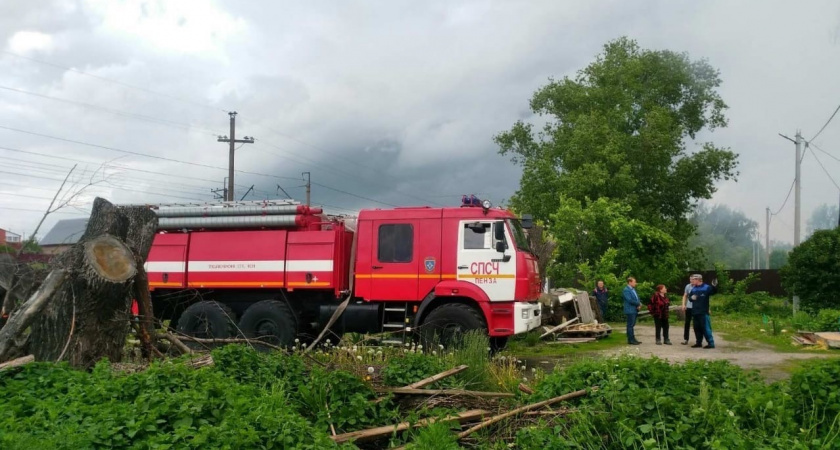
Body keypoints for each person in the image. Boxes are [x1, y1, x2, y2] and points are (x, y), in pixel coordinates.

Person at [689, 275, 717, 349]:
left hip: (703, 312)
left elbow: (713, 292)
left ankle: (711, 343)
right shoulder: (694, 288)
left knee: (706, 328)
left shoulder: (706, 287)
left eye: (694, 279)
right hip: (695, 311)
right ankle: (698, 343)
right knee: (696, 328)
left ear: (698, 280)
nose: (692, 281)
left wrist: (714, 286)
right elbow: (690, 298)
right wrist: (691, 298)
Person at [680, 275, 700, 345]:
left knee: (697, 324)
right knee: (687, 323)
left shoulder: (699, 287)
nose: (691, 281)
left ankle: (698, 340)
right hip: (689, 307)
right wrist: (683, 304)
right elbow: (685, 295)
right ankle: (686, 339)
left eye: (693, 279)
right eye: (690, 279)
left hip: (696, 307)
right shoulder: (688, 286)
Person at [622, 277, 642, 345]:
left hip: (634, 309)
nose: (635, 283)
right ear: (630, 282)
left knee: (632, 325)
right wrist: (638, 303)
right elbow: (630, 300)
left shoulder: (633, 289)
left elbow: (636, 298)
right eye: (634, 282)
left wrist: (639, 304)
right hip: (630, 310)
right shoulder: (626, 290)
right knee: (630, 325)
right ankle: (631, 339)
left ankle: (633, 339)